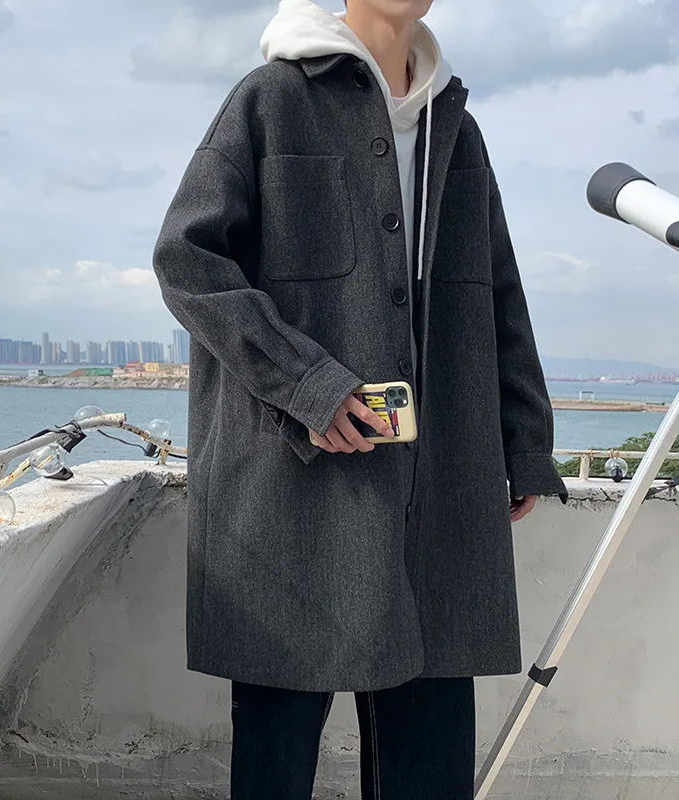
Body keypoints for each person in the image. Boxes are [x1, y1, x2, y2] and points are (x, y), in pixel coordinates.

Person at [153, 0, 568, 796]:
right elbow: (187, 260)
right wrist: (306, 383)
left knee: (429, 762)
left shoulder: (455, 129)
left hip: (434, 496)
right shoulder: (271, 100)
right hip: (292, 490)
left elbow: (498, 292)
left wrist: (523, 443)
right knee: (275, 763)